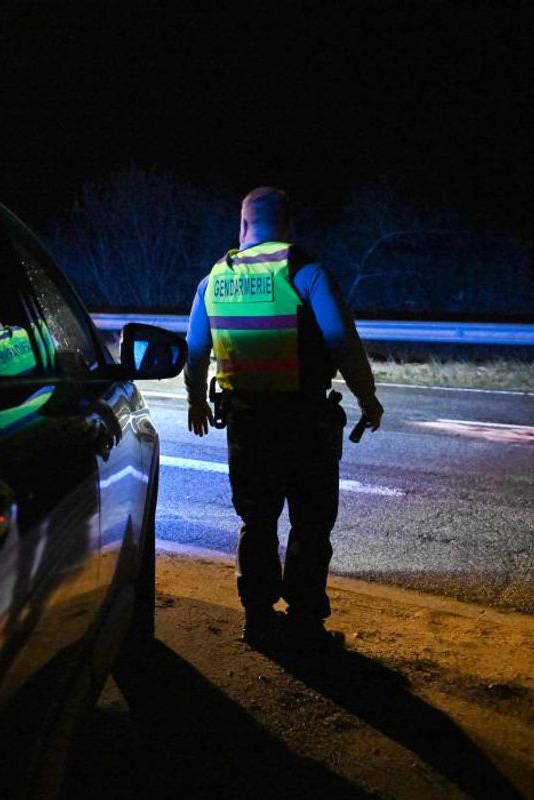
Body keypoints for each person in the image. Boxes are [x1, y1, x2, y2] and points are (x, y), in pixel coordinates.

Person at [184, 187, 384, 650]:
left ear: (243, 225)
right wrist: (367, 397)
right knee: (310, 524)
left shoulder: (213, 280)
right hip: (305, 422)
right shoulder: (305, 272)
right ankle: (304, 621)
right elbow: (342, 341)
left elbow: (196, 352)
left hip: (246, 423)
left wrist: (196, 399)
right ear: (289, 225)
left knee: (256, 522)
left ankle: (257, 619)